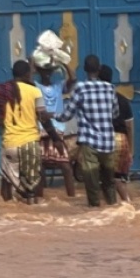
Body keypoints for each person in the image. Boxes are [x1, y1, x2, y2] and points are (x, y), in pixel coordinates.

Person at [0, 60, 58, 204]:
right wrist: (56, 139)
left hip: (10, 144)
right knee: (33, 182)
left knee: (7, 182)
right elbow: (44, 118)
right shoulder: (35, 91)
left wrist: (4, 125)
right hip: (30, 144)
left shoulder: (0, 89)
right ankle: (35, 212)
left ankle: (7, 214)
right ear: (27, 74)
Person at [58, 56, 120, 207]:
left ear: (85, 70)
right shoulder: (110, 88)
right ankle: (113, 209)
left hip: (90, 142)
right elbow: (115, 114)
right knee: (109, 182)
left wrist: (53, 116)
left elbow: (67, 115)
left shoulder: (80, 88)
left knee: (91, 183)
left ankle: (94, 212)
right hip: (108, 142)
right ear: (99, 69)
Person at [34, 62, 77, 200]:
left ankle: (72, 197)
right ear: (39, 72)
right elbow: (27, 77)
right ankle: (41, 199)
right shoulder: (35, 86)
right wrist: (33, 63)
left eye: (49, 71)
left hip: (57, 132)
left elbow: (73, 79)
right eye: (43, 71)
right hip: (41, 131)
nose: (47, 73)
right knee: (39, 167)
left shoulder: (58, 86)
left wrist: (63, 62)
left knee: (65, 166)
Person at [104, 66, 135, 204]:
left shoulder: (98, 100)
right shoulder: (122, 100)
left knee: (108, 179)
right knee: (120, 178)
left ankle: (125, 205)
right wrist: (131, 150)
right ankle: (126, 206)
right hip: (122, 140)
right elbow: (129, 126)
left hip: (105, 139)